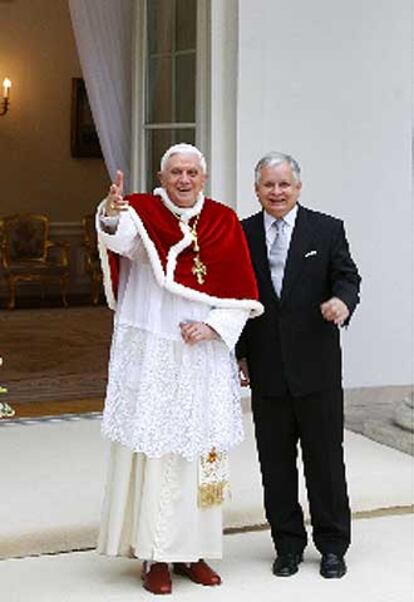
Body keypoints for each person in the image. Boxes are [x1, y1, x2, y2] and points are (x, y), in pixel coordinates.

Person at [95, 143, 263, 595]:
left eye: (191, 172)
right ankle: (155, 555)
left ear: (202, 178)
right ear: (162, 176)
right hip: (155, 353)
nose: (184, 180)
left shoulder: (223, 220)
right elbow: (119, 238)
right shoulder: (143, 212)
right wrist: (110, 212)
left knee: (202, 452)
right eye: (175, 173)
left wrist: (212, 327)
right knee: (158, 451)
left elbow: (241, 291)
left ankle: (194, 550)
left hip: (203, 358)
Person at [236, 152, 361, 579]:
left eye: (284, 184)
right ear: (257, 190)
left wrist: (342, 302)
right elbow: (235, 299)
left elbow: (348, 277)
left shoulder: (327, 229)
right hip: (267, 368)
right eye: (268, 185)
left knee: (325, 461)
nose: (276, 192)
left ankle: (332, 546)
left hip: (317, 368)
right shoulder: (241, 233)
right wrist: (239, 354)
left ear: (298, 187)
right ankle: (287, 545)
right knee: (275, 464)